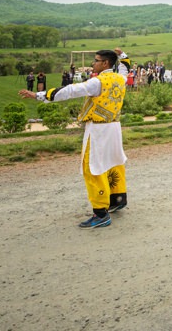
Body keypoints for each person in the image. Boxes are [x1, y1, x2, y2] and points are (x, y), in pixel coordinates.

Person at [19, 49, 127, 229]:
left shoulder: (97, 82)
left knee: (92, 166)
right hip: (114, 127)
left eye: (96, 60)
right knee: (114, 162)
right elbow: (125, 69)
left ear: (105, 64)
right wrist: (123, 55)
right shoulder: (119, 78)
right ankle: (117, 198)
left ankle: (100, 213)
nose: (93, 63)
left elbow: (71, 90)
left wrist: (39, 95)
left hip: (98, 129)